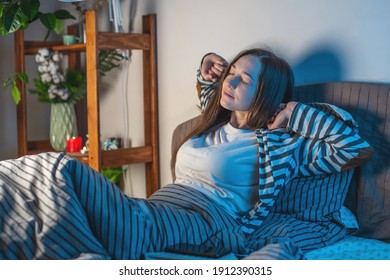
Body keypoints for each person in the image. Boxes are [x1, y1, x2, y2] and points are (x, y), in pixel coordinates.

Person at [0, 48, 373, 260]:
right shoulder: (213, 122)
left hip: (212, 223)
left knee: (63, 168)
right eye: (232, 71)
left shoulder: (282, 145)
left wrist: (296, 113)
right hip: (161, 205)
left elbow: (355, 148)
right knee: (56, 197)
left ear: (268, 93)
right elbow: (209, 83)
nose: (230, 79)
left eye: (245, 78)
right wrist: (209, 65)